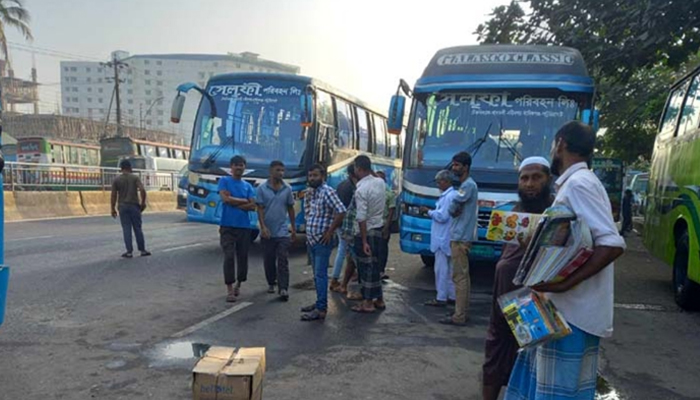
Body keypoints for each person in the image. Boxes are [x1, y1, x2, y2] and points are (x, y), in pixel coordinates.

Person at [504, 122, 626, 400]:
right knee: (541, 387)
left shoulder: (580, 184)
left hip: (570, 314)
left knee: (557, 393)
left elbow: (611, 243)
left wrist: (565, 283)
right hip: (556, 311)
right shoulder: (574, 183)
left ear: (560, 144)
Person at [482, 157, 554, 400]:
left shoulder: (556, 214)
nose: (530, 184)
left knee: (532, 352)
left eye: (536, 177)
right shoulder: (515, 214)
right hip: (506, 295)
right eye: (524, 178)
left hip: (536, 296)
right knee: (496, 348)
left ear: (548, 179)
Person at [301, 164, 346, 321]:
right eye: (310, 175)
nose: (312, 178)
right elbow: (309, 213)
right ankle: (319, 302)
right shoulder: (311, 193)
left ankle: (321, 309)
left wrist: (330, 231)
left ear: (323, 177)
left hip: (322, 240)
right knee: (316, 274)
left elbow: (341, 211)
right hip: (311, 240)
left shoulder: (328, 192)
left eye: (315, 175)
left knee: (320, 275)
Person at [441, 151, 478, 326]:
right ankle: (462, 310)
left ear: (466, 167)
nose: (454, 168)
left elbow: (454, 203)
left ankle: (459, 315)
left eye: (457, 165)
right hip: (460, 234)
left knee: (459, 277)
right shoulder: (466, 185)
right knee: (463, 276)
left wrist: (452, 208)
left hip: (460, 236)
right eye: (453, 164)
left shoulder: (467, 186)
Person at [350, 155, 387, 314]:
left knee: (366, 268)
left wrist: (364, 240)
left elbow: (361, 217)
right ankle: (379, 299)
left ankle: (367, 302)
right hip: (378, 228)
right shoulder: (380, 182)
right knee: (376, 266)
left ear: (358, 169)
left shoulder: (361, 189)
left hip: (367, 231)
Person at [256, 160, 296, 302]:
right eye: (278, 170)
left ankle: (283, 287)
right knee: (269, 259)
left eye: (282, 170)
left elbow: (290, 208)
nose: (280, 173)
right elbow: (259, 208)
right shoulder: (262, 188)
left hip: (283, 231)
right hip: (268, 231)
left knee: (283, 259)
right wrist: (263, 227)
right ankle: (271, 282)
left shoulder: (287, 189)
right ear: (271, 171)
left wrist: (293, 227)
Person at [218, 156, 256, 303]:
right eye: (236, 165)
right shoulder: (224, 181)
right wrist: (244, 201)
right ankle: (229, 289)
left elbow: (253, 205)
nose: (239, 168)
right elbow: (225, 199)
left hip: (244, 227)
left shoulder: (248, 186)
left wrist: (234, 201)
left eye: (241, 165)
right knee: (228, 256)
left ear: (244, 167)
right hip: (227, 225)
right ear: (231, 167)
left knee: (242, 256)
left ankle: (239, 284)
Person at [420, 170, 457, 307]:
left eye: (439, 181)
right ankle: (451, 296)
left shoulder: (449, 197)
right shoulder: (450, 196)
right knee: (449, 270)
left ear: (446, 181)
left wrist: (428, 211)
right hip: (447, 237)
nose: (438, 184)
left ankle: (441, 297)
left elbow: (442, 216)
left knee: (441, 270)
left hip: (443, 238)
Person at [111, 159, 151, 258]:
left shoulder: (117, 180)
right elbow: (142, 189)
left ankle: (129, 252)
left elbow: (113, 195)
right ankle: (142, 250)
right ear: (130, 168)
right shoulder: (135, 178)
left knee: (126, 229)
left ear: (121, 169)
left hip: (122, 206)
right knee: (137, 228)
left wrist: (112, 208)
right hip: (134, 206)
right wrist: (143, 203)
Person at [330, 164, 358, 293]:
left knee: (345, 250)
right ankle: (335, 279)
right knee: (343, 250)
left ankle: (347, 274)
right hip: (345, 224)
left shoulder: (342, 184)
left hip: (339, 222)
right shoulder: (352, 187)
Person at [375, 170, 396, 280]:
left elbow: (391, 212)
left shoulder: (389, 194)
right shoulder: (372, 192)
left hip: (384, 224)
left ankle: (381, 271)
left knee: (382, 249)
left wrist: (387, 228)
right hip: (373, 224)